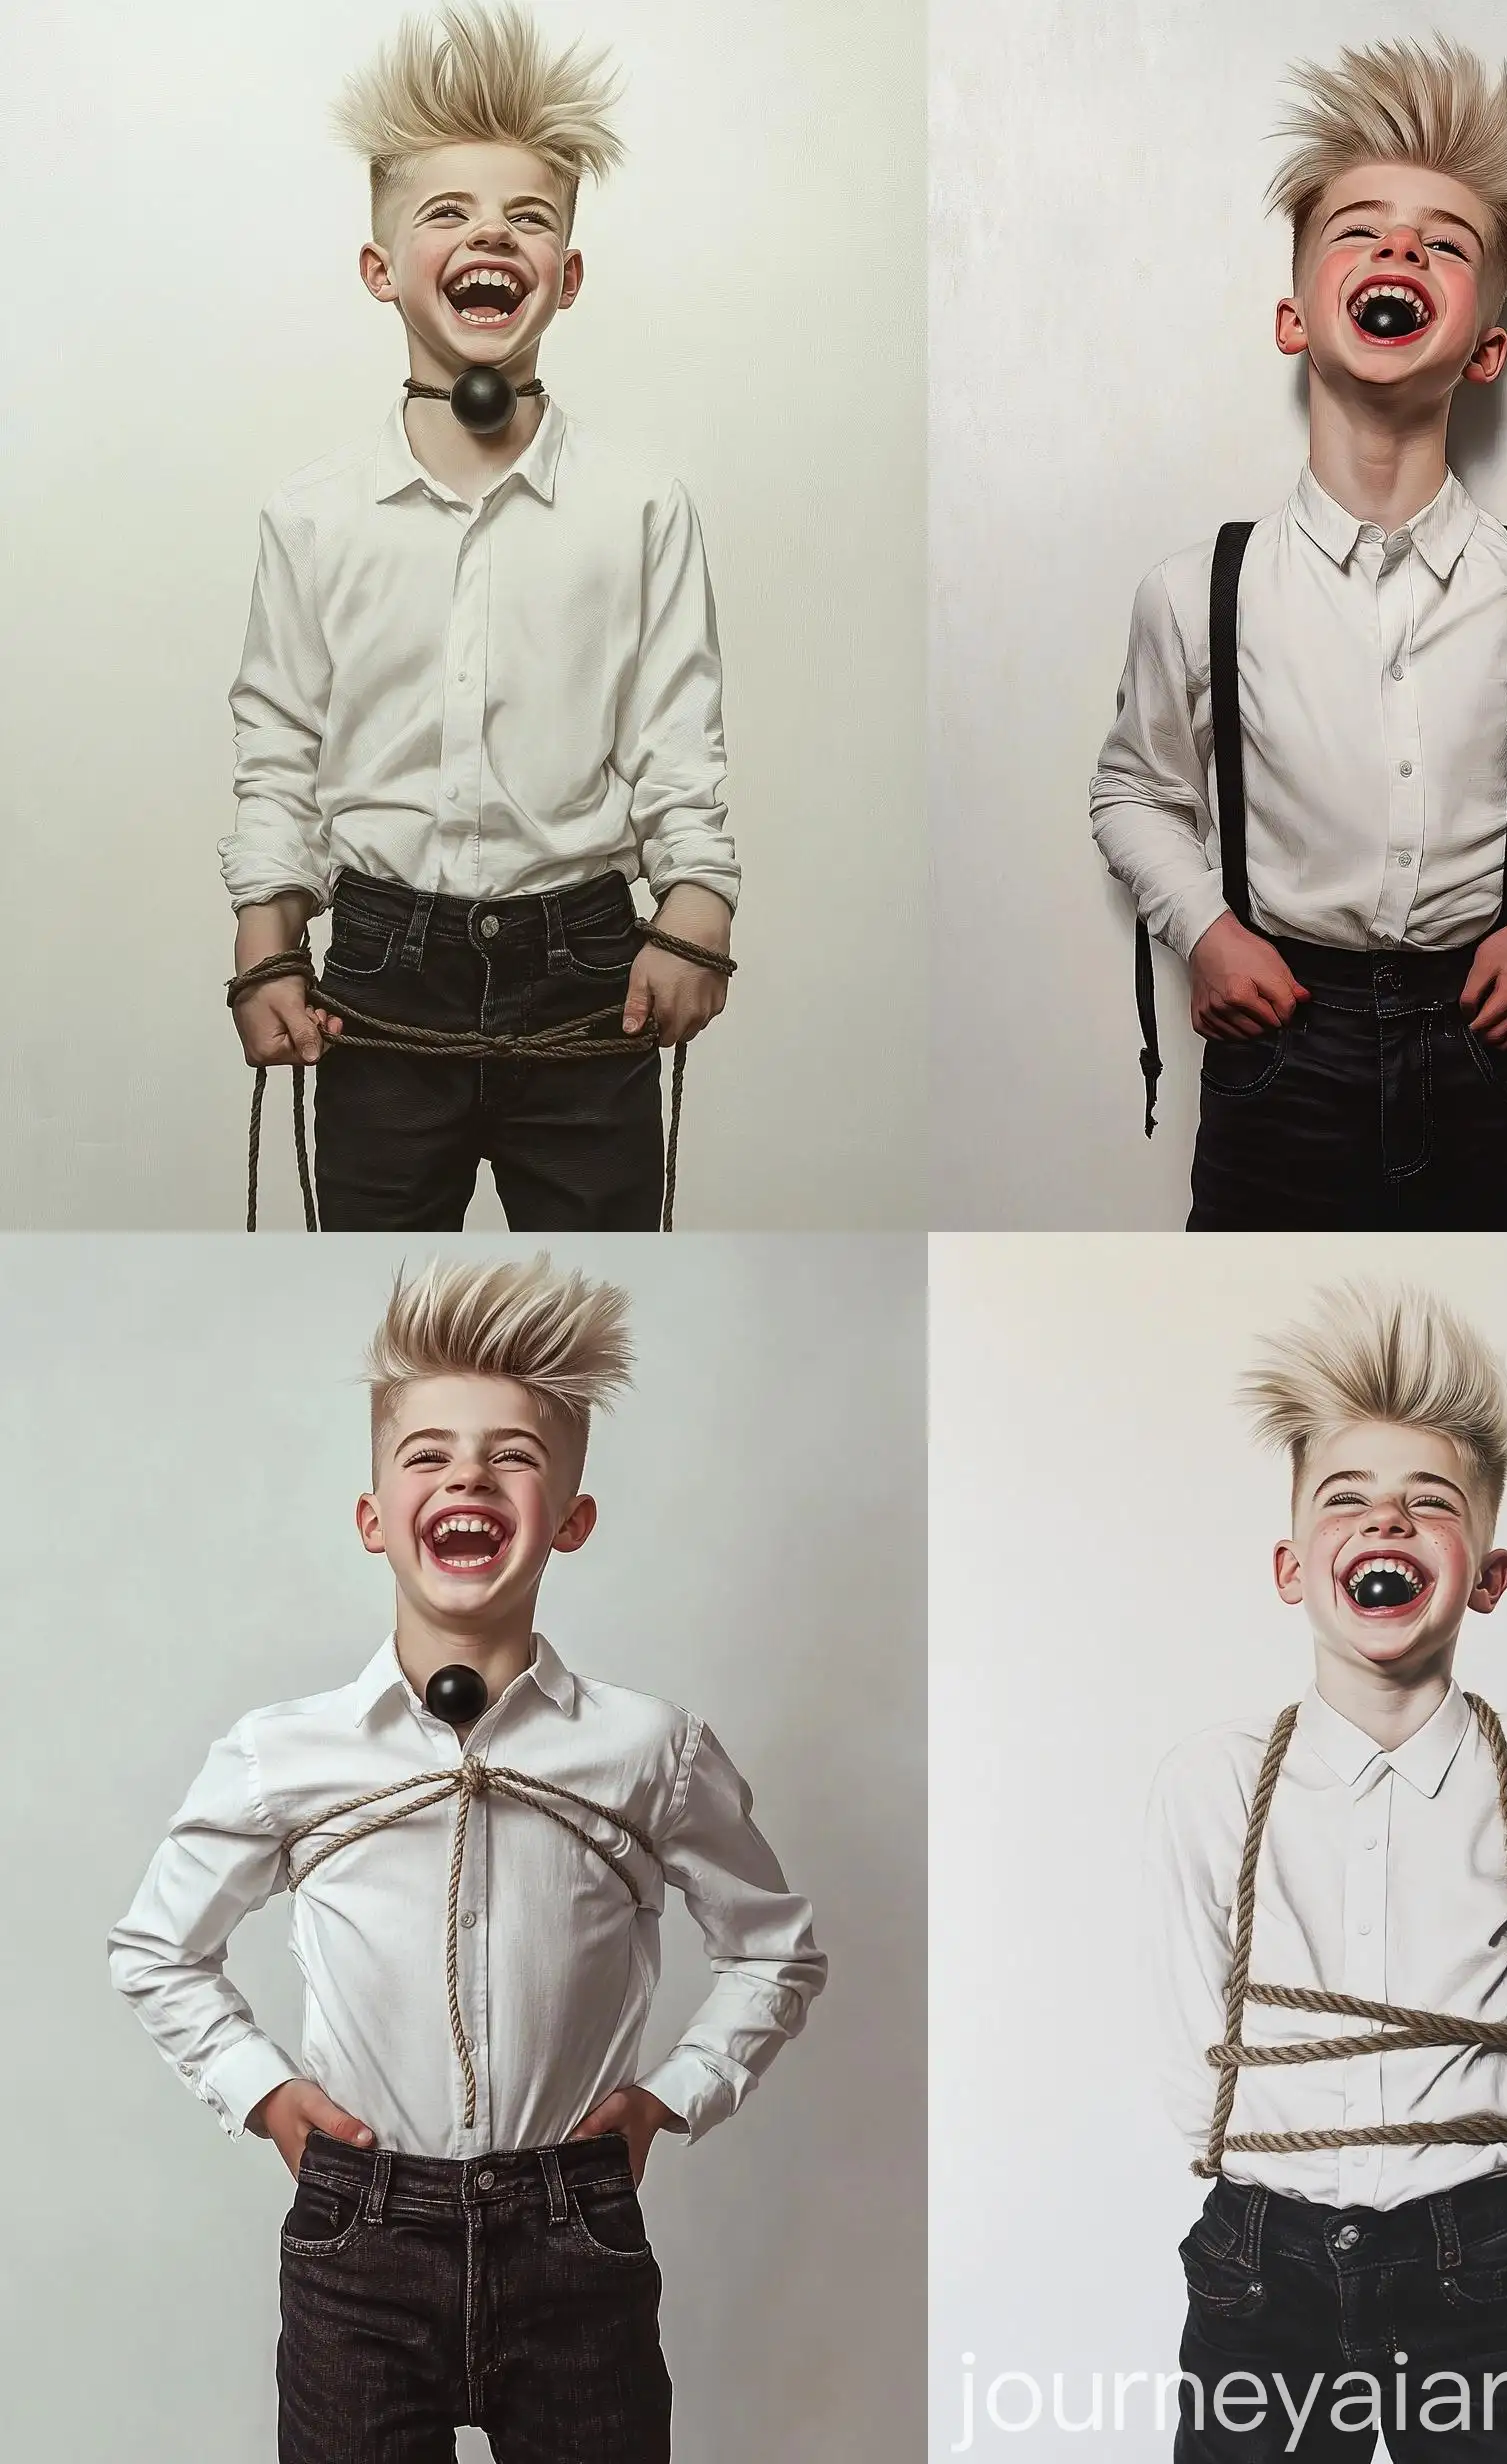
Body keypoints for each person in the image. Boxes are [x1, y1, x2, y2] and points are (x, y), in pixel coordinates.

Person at [108, 1254, 825, 2462]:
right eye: (426, 1453)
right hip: (359, 2246)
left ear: (574, 1519)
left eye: (515, 1455)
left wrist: (666, 2099)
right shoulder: (284, 1753)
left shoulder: (648, 1747)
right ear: (373, 1514)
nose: (469, 1476)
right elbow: (157, 1948)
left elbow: (774, 1949)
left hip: (574, 2233)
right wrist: (267, 2096)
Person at [1091, 36, 1507, 1229]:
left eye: (1446, 242)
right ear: (1291, 315)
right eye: (1358, 229)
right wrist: (1202, 928)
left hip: (1491, 1063)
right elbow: (1130, 794)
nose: (1400, 247)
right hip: (1281, 1065)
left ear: (1486, 348)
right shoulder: (1195, 590)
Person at [223, 2, 737, 1230]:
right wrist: (263, 935)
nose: (487, 235)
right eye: (444, 213)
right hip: (380, 972)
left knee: (610, 1270)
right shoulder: (311, 518)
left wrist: (698, 905)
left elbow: (678, 733)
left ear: (563, 276)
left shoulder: (643, 505)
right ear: (379, 269)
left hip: (587, 971)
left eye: (527, 217)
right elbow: (277, 747)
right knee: (370, 1284)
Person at [1145, 1283, 1507, 2459]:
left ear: (1489, 1573)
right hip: (1257, 2260)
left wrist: (1450, 2163)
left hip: (1479, 2262)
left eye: (1429, 1504)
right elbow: (1190, 2047)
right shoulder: (1210, 1783)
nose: (1386, 1524)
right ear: (1289, 1563)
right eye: (1345, 1500)